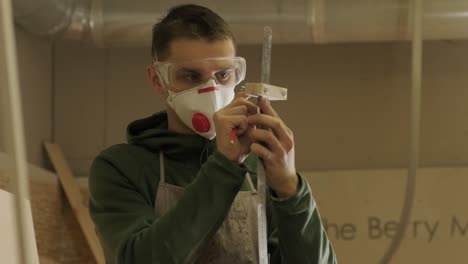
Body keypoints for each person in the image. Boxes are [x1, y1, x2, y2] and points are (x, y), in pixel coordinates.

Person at [89, 4, 336, 264]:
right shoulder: (122, 168)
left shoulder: (259, 169)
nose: (211, 89)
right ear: (157, 79)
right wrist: (223, 166)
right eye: (191, 76)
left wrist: (290, 189)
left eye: (223, 74)